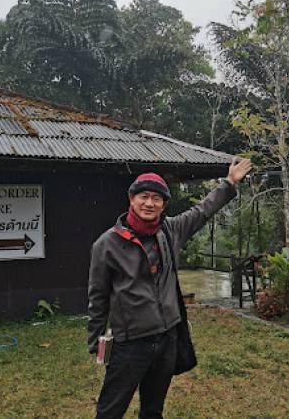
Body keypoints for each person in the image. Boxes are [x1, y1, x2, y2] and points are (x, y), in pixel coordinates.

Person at [87, 158, 252, 419]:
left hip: (167, 339)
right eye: (143, 196)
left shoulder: (170, 230)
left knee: (153, 410)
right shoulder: (107, 244)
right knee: (110, 411)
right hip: (130, 343)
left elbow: (202, 211)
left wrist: (229, 182)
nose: (149, 203)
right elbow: (98, 297)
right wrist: (95, 340)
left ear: (164, 204)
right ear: (131, 199)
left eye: (156, 198)